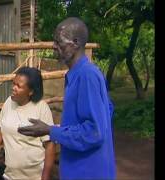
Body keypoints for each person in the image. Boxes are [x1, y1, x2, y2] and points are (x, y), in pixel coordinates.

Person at [18, 17, 116, 179]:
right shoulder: (76, 75)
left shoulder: (87, 75)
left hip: (88, 172)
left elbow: (95, 132)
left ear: (75, 43)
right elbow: (108, 110)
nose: (53, 46)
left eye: (58, 42)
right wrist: (66, 128)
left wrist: (51, 130)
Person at [0, 67, 56, 180]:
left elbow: (50, 145)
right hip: (10, 176)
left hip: (35, 177)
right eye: (13, 84)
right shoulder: (9, 103)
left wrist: (45, 176)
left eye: (19, 86)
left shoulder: (41, 108)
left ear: (31, 91)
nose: (13, 88)